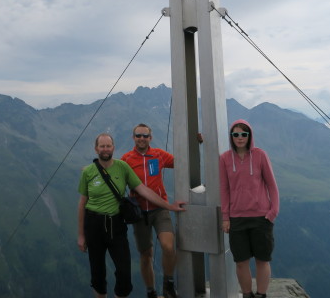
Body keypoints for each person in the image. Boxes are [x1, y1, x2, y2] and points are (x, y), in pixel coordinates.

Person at [78, 133, 185, 298]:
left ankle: (165, 284)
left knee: (124, 274)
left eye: (108, 146)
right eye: (102, 146)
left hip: (116, 224)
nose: (105, 149)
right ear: (96, 149)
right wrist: (81, 235)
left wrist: (168, 206)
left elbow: (144, 190)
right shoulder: (89, 172)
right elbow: (82, 204)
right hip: (94, 224)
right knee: (97, 274)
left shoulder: (122, 166)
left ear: (113, 148)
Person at [121, 123, 202, 298]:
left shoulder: (159, 155)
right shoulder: (126, 159)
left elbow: (182, 160)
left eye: (144, 135)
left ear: (150, 138)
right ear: (133, 137)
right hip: (139, 212)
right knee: (145, 255)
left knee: (168, 245)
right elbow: (114, 173)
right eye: (138, 135)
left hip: (160, 209)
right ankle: (151, 291)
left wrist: (196, 143)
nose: (141, 138)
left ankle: (168, 284)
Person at [219, 120, 279, 298]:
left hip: (262, 217)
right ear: (231, 137)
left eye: (243, 134)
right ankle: (247, 294)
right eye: (236, 134)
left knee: (262, 260)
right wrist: (226, 217)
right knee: (240, 262)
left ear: (249, 136)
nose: (239, 138)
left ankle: (261, 294)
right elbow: (224, 189)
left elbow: (272, 185)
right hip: (236, 218)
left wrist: (272, 212)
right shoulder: (224, 158)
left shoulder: (260, 155)